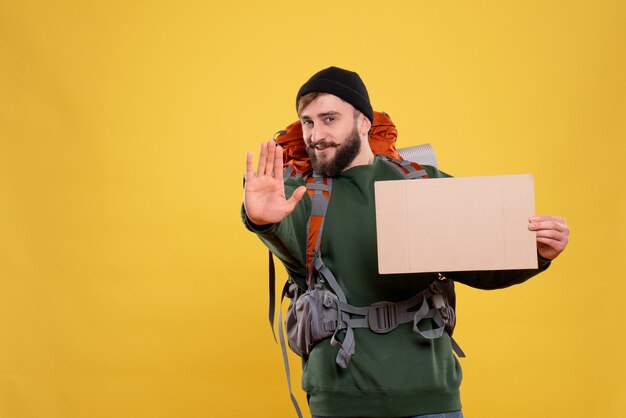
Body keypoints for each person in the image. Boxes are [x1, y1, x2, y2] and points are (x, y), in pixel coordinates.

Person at [242, 67, 569, 418]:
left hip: (431, 397)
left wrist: (536, 252)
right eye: (307, 122)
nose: (316, 135)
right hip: (340, 401)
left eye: (329, 119)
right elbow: (284, 235)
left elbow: (483, 268)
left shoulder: (421, 182)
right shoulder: (299, 194)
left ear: (363, 122)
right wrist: (261, 219)